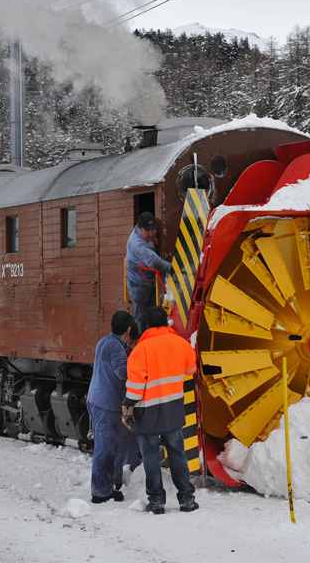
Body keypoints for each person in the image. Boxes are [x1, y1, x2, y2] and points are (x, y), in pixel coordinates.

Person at [121, 306, 198, 514]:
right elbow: (191, 370)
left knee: (152, 457)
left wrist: (127, 404)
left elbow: (136, 388)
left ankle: (157, 501)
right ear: (166, 323)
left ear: (145, 325)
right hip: (173, 407)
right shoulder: (181, 344)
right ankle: (186, 499)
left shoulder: (140, 350)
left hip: (148, 413)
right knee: (177, 453)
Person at [87, 311, 137, 504]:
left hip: (99, 400)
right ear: (129, 329)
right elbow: (123, 372)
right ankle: (99, 492)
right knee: (105, 447)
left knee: (112, 446)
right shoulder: (116, 347)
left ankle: (111, 486)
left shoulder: (104, 342)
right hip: (106, 403)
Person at [125, 212, 171, 333]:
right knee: (141, 317)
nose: (152, 233)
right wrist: (174, 269)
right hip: (138, 284)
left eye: (153, 229)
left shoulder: (146, 234)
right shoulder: (137, 244)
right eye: (148, 231)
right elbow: (155, 262)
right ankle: (141, 342)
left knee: (154, 313)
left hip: (150, 281)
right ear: (139, 229)